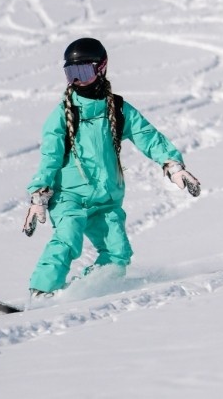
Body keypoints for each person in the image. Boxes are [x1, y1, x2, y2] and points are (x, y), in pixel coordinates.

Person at [22, 37, 200, 298]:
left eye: (83, 71)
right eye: (71, 73)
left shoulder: (117, 109)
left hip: (106, 200)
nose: (77, 80)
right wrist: (39, 195)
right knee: (68, 237)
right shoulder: (62, 114)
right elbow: (50, 157)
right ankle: (41, 290)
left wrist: (172, 164)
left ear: (101, 68)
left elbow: (147, 136)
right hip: (69, 196)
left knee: (118, 255)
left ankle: (85, 290)